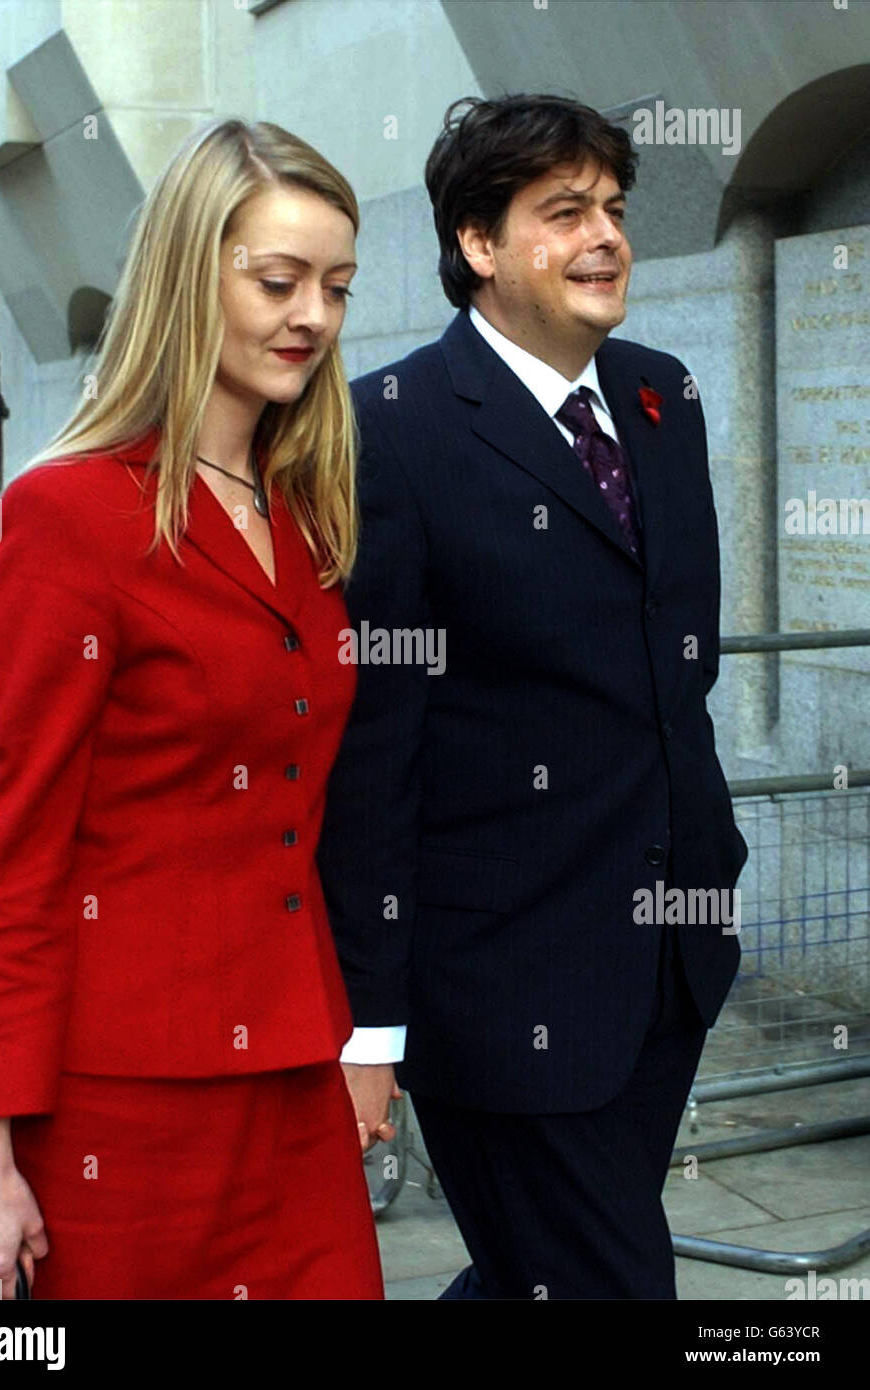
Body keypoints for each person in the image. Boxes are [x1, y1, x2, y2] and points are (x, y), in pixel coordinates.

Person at [316, 94, 748, 1299]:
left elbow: (680, 669)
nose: (604, 235)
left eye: (611, 208)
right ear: (478, 244)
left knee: (535, 1272)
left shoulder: (663, 398)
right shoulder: (389, 431)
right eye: (562, 213)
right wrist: (370, 1022)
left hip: (669, 962)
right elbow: (373, 747)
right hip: (500, 990)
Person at [0, 116, 384, 1300]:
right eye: (279, 281)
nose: (313, 317)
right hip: (119, 1106)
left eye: (336, 288)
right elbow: (17, 853)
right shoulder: (66, 517)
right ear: (192, 276)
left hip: (294, 1075)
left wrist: (356, 1037)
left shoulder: (303, 511)